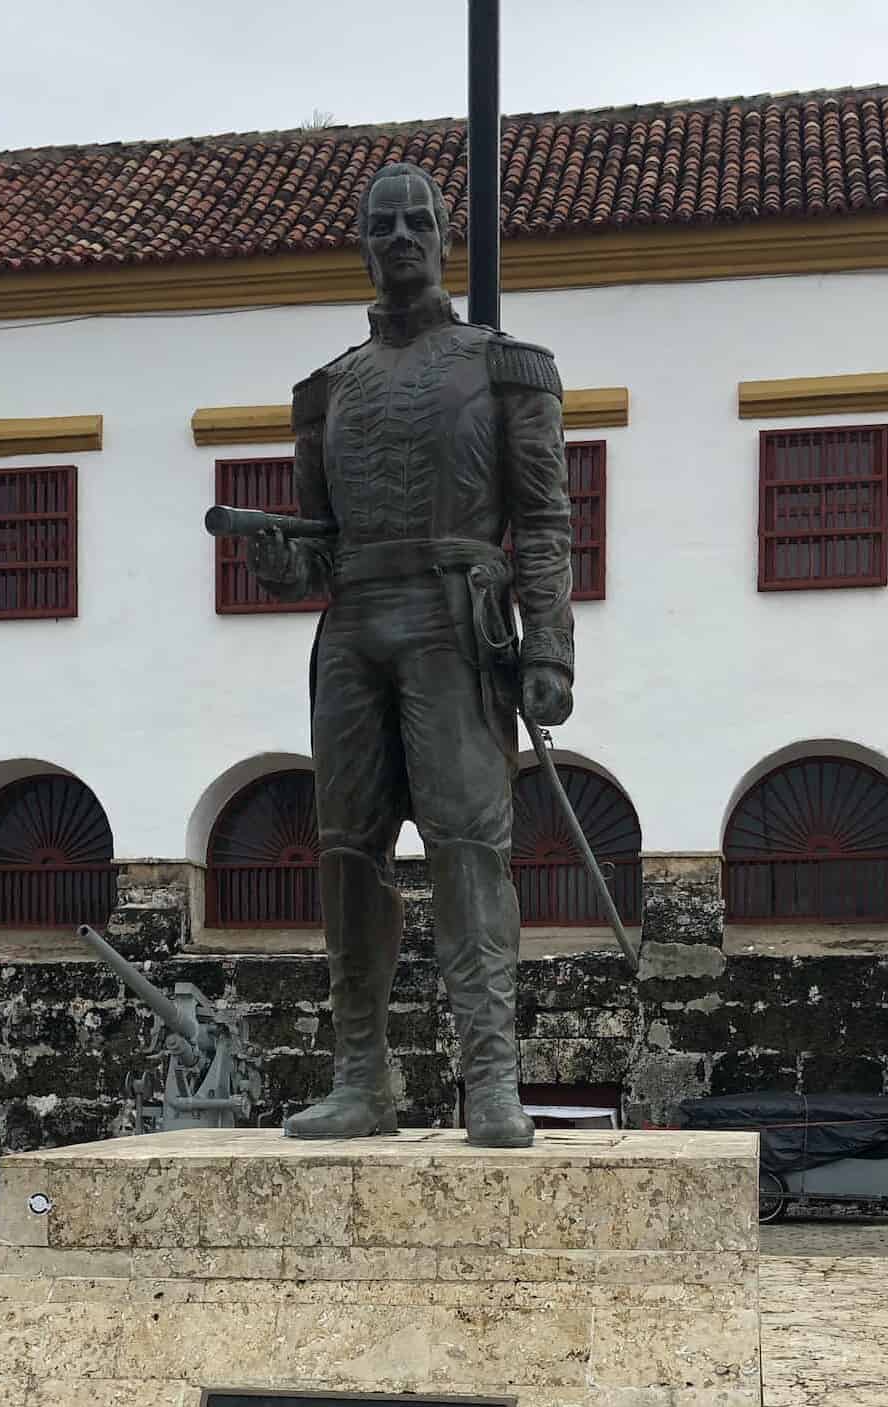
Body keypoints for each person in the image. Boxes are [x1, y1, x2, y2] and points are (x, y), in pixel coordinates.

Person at [250, 161, 574, 1147]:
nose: (398, 237)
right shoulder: (326, 390)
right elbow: (310, 548)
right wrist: (274, 561)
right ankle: (363, 1081)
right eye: (380, 223)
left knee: (469, 848)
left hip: (451, 618)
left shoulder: (503, 365)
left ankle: (491, 1085)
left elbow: (546, 518)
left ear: (443, 236)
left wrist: (549, 648)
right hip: (352, 625)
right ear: (362, 241)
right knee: (347, 854)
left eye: (415, 222)